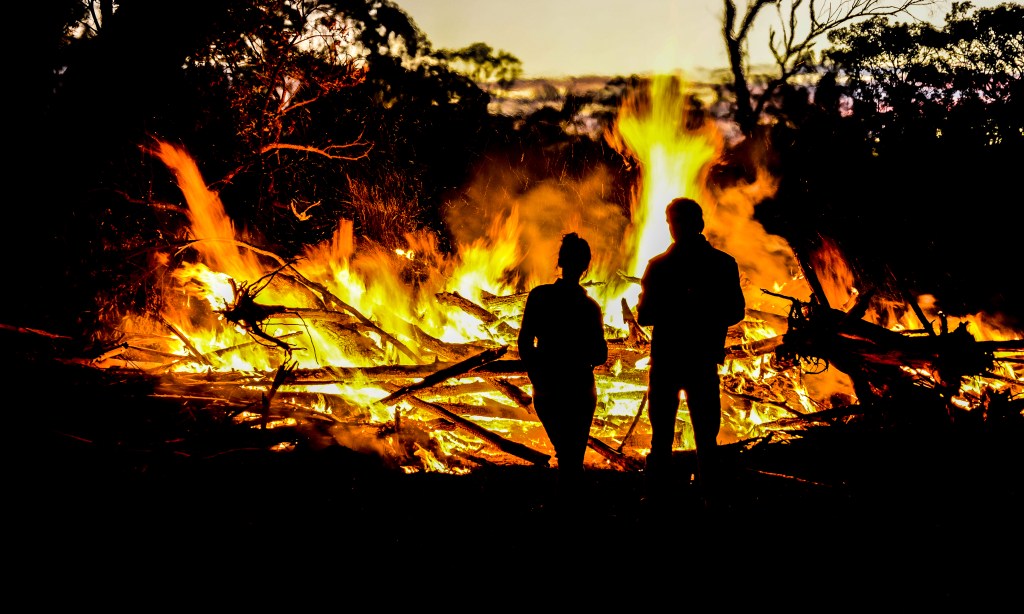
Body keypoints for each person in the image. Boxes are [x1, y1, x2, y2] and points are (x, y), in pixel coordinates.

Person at [635, 197, 746, 505]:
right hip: (695, 360)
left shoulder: (661, 267)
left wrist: (679, 307)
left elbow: (645, 315)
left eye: (678, 222)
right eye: (673, 222)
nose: (675, 228)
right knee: (694, 436)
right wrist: (700, 308)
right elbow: (735, 310)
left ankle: (665, 498)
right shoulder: (720, 263)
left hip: (678, 360)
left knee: (676, 436)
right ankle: (696, 497)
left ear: (697, 225)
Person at [518, 232, 609, 504]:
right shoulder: (590, 307)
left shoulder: (540, 296)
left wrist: (536, 374)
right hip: (580, 386)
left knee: (565, 450)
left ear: (560, 262)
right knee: (573, 452)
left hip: (548, 386)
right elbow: (601, 353)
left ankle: (567, 503)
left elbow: (525, 340)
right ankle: (573, 504)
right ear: (586, 267)